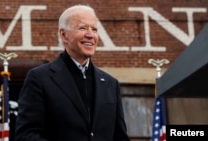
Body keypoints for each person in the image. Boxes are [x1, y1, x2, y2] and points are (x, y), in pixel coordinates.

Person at [14, 4, 130, 141]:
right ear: (64, 35)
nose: (90, 35)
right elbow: (26, 135)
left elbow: (120, 137)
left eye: (94, 29)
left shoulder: (111, 84)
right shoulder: (40, 78)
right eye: (83, 28)